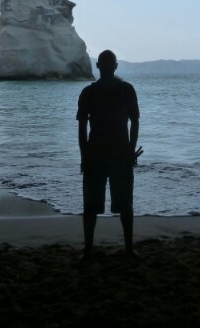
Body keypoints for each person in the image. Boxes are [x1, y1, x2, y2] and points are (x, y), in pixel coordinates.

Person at [77, 49, 141, 260]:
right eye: (108, 64)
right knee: (124, 206)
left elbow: (82, 128)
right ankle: (128, 250)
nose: (106, 67)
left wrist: (84, 155)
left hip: (99, 154)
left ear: (98, 66)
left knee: (92, 207)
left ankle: (88, 251)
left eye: (106, 64)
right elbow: (135, 121)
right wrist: (131, 150)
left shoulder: (89, 92)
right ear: (115, 66)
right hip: (117, 154)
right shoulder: (125, 90)